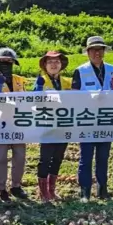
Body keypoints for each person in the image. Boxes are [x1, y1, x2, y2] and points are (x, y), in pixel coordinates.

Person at [71, 36, 113, 202]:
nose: (97, 53)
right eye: (93, 50)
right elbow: (74, 96)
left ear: (104, 51)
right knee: (86, 157)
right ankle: (84, 191)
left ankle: (102, 187)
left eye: (100, 49)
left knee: (103, 156)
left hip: (106, 120)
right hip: (87, 120)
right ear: (88, 52)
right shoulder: (80, 71)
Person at [0, 48, 28, 201]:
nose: (5, 63)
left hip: (17, 123)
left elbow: (26, 99)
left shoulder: (20, 80)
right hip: (0, 124)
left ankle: (16, 186)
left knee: (20, 156)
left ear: (13, 63)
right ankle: (1, 188)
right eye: (2, 61)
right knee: (0, 157)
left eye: (8, 61)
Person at [34, 51, 72, 201]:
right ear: (45, 65)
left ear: (61, 65)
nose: (54, 64)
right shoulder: (41, 81)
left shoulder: (68, 83)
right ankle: (43, 192)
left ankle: (51, 190)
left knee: (58, 157)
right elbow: (34, 102)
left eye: (57, 61)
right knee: (45, 158)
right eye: (50, 62)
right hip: (47, 126)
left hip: (63, 125)